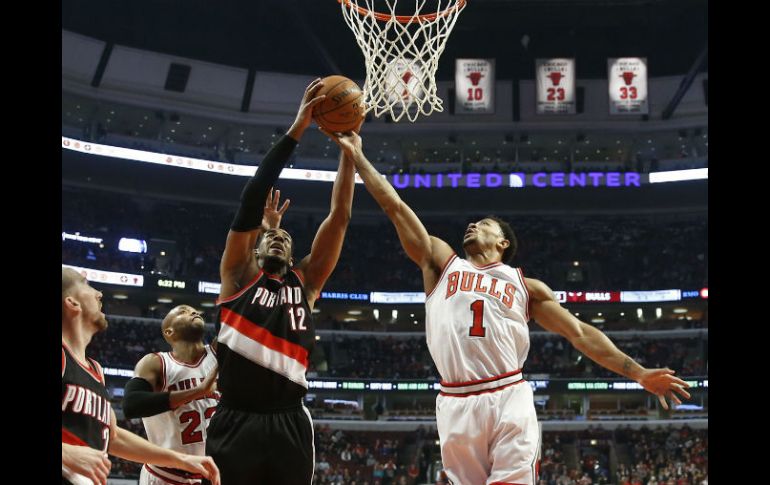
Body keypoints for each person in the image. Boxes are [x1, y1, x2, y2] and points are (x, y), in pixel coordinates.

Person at [323, 129, 692, 485]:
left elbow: (579, 334)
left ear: (502, 242)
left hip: (507, 394)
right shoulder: (441, 264)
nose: (472, 225)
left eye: (483, 224)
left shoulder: (526, 287)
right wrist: (358, 157)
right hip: (454, 400)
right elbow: (395, 206)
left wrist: (639, 373)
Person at [204, 77, 357, 485]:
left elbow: (339, 217)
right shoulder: (236, 276)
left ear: (293, 255)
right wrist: (298, 128)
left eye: (286, 237)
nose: (279, 237)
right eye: (271, 235)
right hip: (234, 418)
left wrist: (349, 150)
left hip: (289, 421)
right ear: (255, 247)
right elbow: (252, 198)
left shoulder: (304, 284)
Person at [62, 267, 220, 485]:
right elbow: (132, 405)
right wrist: (65, 453)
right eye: (86, 285)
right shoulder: (62, 357)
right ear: (72, 303)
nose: (99, 293)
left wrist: (183, 459)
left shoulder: (95, 370)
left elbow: (114, 437)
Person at [122, 305, 219, 485]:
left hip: (211, 475)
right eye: (183, 312)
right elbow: (131, 405)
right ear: (169, 332)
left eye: (195, 311)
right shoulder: (156, 363)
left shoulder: (219, 353)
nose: (194, 313)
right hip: (165, 475)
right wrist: (200, 390)